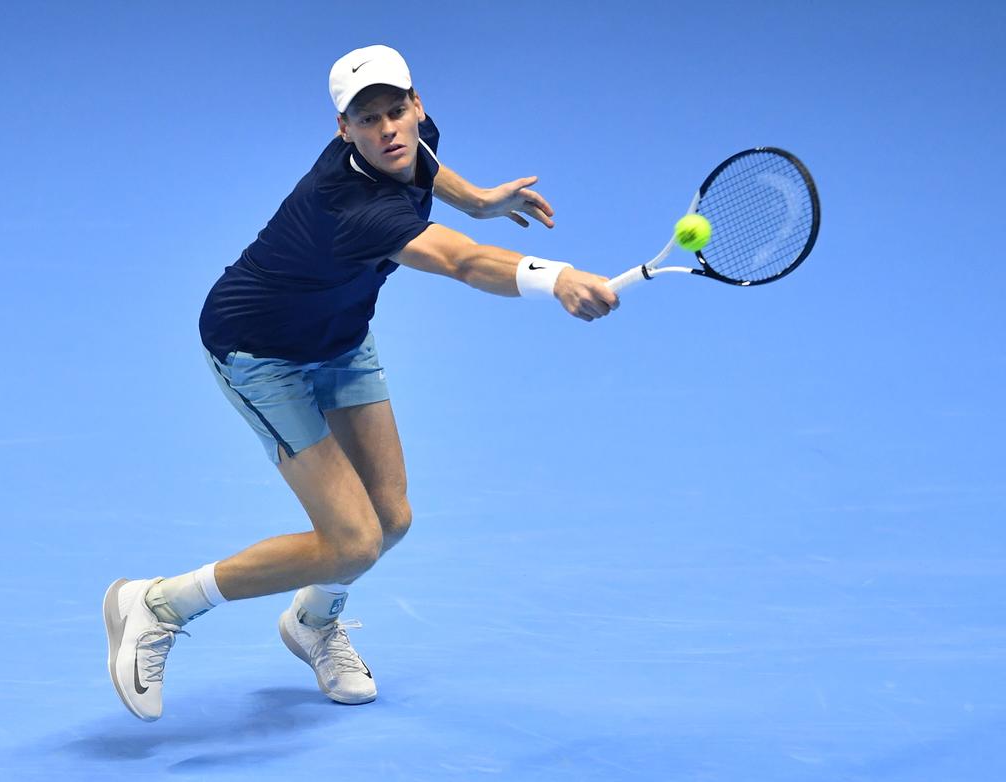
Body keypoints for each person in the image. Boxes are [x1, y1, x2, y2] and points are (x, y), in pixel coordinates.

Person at [103, 44, 619, 722]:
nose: (389, 130)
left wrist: (478, 201)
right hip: (259, 350)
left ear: (417, 104)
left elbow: (427, 169)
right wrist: (555, 277)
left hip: (341, 337)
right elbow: (460, 262)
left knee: (392, 519)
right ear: (342, 129)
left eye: (397, 111)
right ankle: (157, 602)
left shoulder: (412, 138)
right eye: (368, 120)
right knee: (351, 541)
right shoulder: (348, 206)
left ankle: (312, 622)